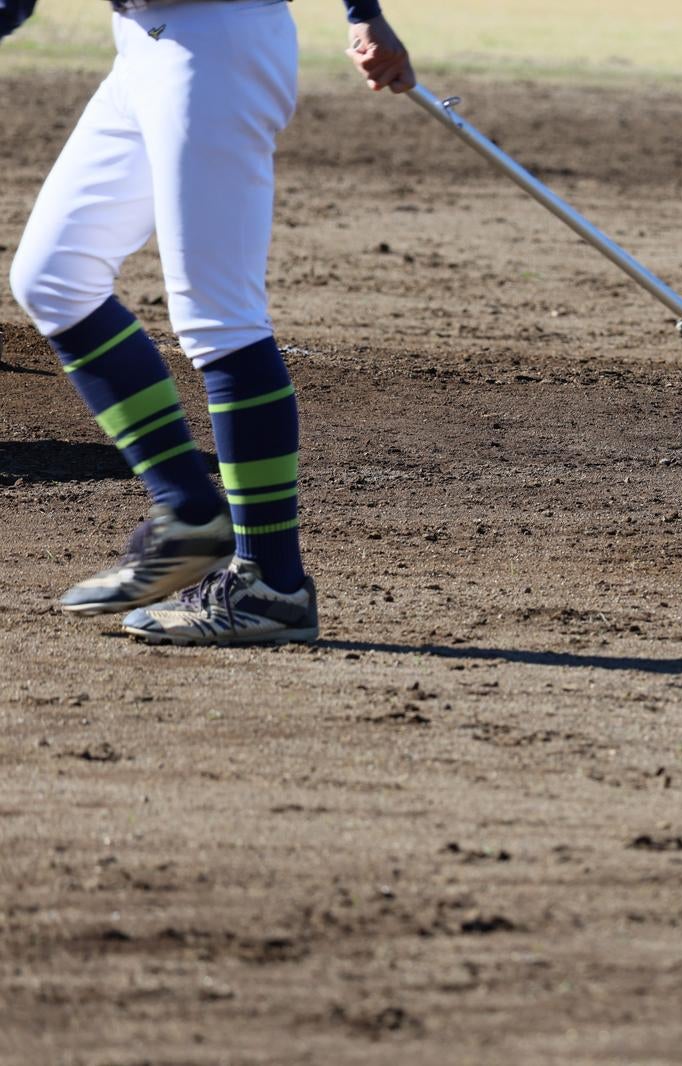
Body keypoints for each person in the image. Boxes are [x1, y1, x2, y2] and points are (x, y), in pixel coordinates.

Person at [5, 0, 414, 644]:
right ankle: (190, 511)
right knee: (53, 280)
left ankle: (272, 584)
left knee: (218, 315)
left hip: (216, 40)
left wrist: (362, 11)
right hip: (143, 43)